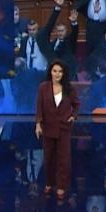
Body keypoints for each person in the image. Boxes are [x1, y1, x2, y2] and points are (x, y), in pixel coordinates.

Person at [35, 60, 80, 200]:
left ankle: (61, 186)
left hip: (63, 128)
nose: (57, 74)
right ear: (50, 72)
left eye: (60, 71)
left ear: (63, 73)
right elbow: (39, 107)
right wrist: (38, 124)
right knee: (48, 157)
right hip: (48, 127)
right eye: (55, 71)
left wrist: (73, 116)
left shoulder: (68, 88)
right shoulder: (43, 87)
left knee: (63, 159)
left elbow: (76, 104)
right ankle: (49, 183)